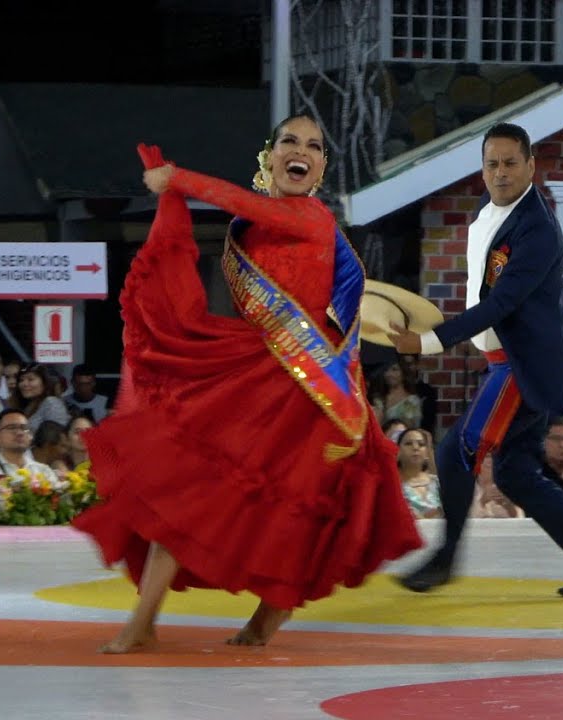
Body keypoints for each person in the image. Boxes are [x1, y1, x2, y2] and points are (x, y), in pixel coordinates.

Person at [70, 118, 422, 653]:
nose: (301, 151)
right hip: (256, 379)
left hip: (312, 393)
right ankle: (143, 621)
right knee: (188, 491)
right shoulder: (249, 229)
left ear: (321, 169)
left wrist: (177, 178)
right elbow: (246, 212)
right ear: (270, 156)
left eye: (314, 147)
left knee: (301, 515)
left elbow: (237, 199)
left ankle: (260, 626)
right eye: (290, 142)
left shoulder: (311, 217)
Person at [388, 122, 563, 599]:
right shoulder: (490, 209)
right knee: (515, 475)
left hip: (521, 366)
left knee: (455, 453)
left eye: (510, 163)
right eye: (492, 164)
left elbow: (501, 303)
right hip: (519, 360)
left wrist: (429, 342)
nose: (500, 173)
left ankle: (445, 558)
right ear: (483, 169)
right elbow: (554, 295)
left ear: (530, 166)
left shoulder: (538, 229)